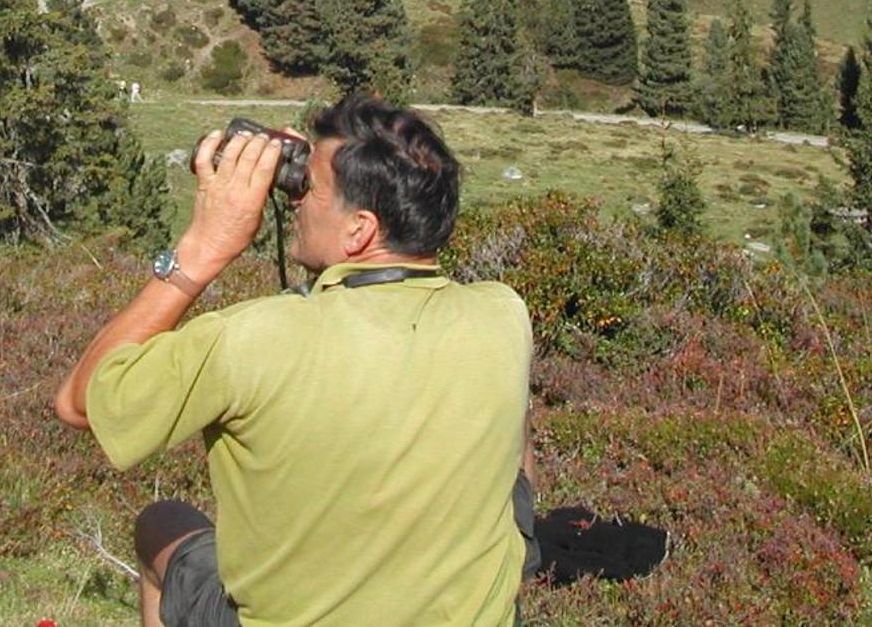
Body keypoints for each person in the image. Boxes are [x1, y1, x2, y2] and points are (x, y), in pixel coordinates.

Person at [54, 94, 534, 627]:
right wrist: (336, 163)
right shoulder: (503, 316)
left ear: (360, 230)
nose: (296, 199)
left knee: (162, 525)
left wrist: (203, 248)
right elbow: (516, 444)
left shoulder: (254, 339)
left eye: (309, 187)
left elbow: (80, 402)